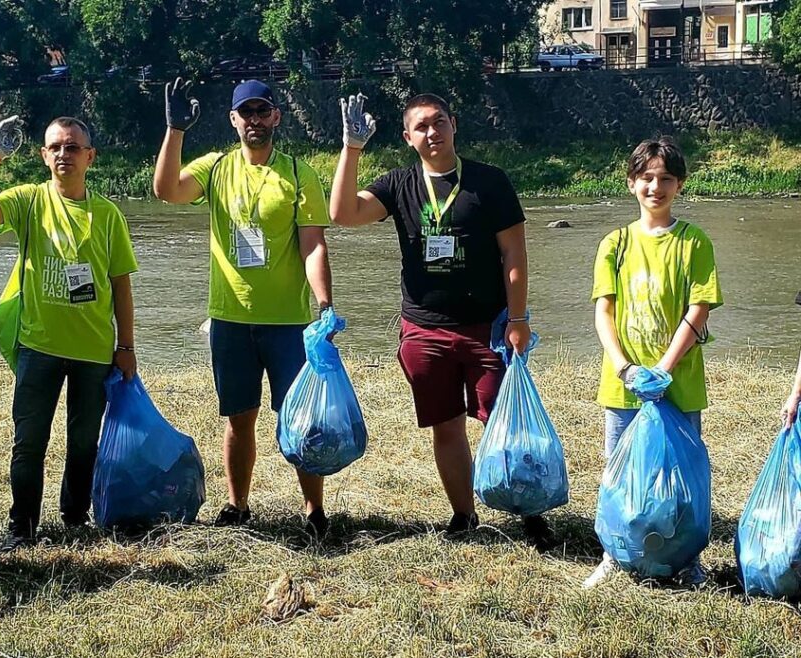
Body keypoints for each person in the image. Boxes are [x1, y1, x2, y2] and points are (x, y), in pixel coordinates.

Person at [328, 92, 554, 546]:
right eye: (422, 127)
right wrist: (351, 149)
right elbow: (342, 214)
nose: (432, 133)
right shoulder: (398, 184)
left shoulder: (489, 182)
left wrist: (518, 317)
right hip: (424, 329)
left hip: (486, 328)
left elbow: (514, 252)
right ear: (408, 137)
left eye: (439, 123)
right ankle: (463, 515)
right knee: (446, 425)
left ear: (454, 124)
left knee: (503, 422)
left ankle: (528, 513)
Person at [153, 79, 334, 537]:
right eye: (245, 112)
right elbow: (166, 190)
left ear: (276, 116)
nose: (254, 119)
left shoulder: (298, 173)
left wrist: (324, 304)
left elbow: (313, 245)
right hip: (230, 319)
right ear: (233, 120)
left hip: (288, 322)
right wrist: (175, 130)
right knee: (239, 416)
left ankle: (313, 509)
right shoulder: (216, 169)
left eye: (262, 111)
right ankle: (237, 505)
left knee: (301, 419)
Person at [0, 116, 138, 552]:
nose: (63, 154)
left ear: (90, 157)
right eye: (55, 147)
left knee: (82, 444)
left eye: (73, 147)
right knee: (29, 443)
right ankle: (22, 527)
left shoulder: (108, 214)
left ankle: (74, 520)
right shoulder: (29, 201)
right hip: (38, 347)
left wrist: (125, 345)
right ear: (42, 155)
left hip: (93, 350)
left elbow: (121, 284)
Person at [583, 136, 722, 588]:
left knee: (683, 472)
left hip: (678, 383)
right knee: (618, 467)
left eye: (665, 179)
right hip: (623, 384)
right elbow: (604, 311)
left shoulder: (694, 242)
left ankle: (687, 560)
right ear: (631, 183)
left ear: (679, 185)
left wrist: (663, 368)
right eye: (646, 178)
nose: (655, 187)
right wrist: (626, 368)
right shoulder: (615, 243)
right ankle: (614, 552)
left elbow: (697, 309)